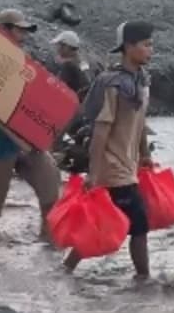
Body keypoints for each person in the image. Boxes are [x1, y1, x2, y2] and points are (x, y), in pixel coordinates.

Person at [64, 21, 155, 278]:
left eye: (151, 44)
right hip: (112, 169)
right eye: (146, 45)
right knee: (139, 226)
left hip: (127, 168)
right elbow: (101, 131)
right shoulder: (114, 86)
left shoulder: (140, 83)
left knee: (100, 224)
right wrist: (94, 173)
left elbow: (139, 125)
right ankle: (143, 281)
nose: (151, 50)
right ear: (128, 47)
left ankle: (65, 270)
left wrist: (145, 154)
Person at [0, 9, 61, 242]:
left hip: (28, 138)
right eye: (19, 30)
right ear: (3, 29)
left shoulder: (23, 61)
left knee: (50, 183)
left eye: (24, 30)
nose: (24, 35)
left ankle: (48, 237)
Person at [52, 30, 93, 101]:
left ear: (66, 47)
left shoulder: (68, 65)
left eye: (58, 45)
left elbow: (56, 87)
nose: (57, 49)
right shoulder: (83, 61)